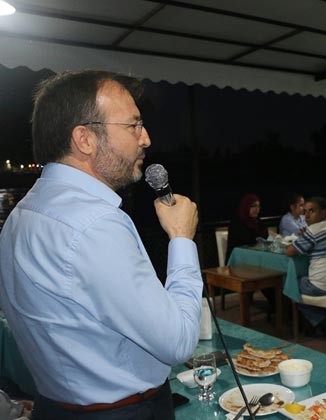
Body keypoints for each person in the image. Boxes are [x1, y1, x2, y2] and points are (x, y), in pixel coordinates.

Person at [0, 70, 202, 420]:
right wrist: (181, 238)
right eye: (133, 125)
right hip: (123, 412)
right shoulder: (93, 224)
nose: (146, 139)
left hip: (55, 407)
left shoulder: (22, 214)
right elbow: (179, 341)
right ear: (85, 139)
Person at [286, 197, 326, 334]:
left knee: (289, 283)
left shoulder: (314, 230)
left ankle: (318, 322)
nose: (307, 216)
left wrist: (305, 236)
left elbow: (289, 252)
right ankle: (324, 320)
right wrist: (306, 236)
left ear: (323, 213)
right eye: (305, 212)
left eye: (312, 211)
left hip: (321, 287)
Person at [226, 193, 269, 261]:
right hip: (239, 259)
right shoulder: (236, 222)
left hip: (255, 256)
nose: (257, 209)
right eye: (253, 206)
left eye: (258, 206)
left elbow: (265, 234)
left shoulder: (257, 221)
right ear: (246, 206)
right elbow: (247, 240)